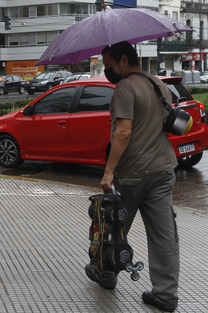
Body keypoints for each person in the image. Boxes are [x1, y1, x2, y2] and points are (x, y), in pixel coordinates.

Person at [85, 41, 180, 312]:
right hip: (163, 170)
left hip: (132, 174)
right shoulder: (158, 84)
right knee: (164, 235)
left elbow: (124, 133)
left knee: (111, 228)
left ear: (124, 60)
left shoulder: (126, 87)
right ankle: (165, 295)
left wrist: (109, 171)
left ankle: (105, 275)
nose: (107, 71)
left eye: (109, 65)